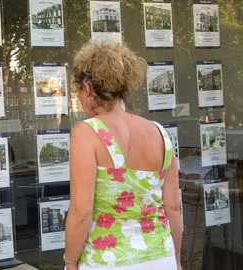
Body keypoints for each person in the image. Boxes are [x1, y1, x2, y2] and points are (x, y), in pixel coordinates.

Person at [64, 42, 182, 270]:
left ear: (87, 89)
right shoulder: (159, 133)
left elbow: (81, 213)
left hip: (107, 261)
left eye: (77, 91)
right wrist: (176, 258)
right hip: (161, 257)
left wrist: (69, 262)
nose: (79, 100)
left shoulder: (87, 132)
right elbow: (173, 208)